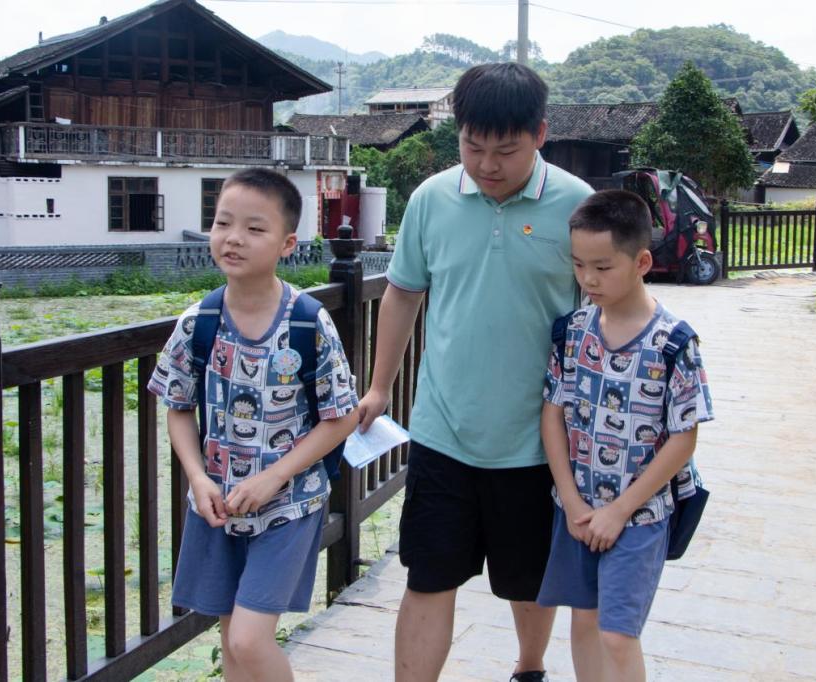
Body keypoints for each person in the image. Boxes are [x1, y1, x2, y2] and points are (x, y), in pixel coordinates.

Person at [356, 63, 593, 681]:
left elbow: (605, 308)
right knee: (428, 575)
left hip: (539, 438)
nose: (487, 165)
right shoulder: (431, 199)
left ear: (539, 135)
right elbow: (403, 293)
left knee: (529, 579)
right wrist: (379, 387)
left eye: (506, 151)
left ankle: (529, 668)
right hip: (444, 430)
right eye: (472, 146)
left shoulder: (577, 205)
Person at [147, 168, 358, 681]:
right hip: (219, 504)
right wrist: (197, 478)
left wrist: (274, 476)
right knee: (232, 642)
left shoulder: (307, 321)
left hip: (288, 503)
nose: (234, 238)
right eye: (223, 223)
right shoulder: (198, 322)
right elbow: (178, 407)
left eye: (254, 228)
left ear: (288, 244)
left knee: (248, 638)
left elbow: (342, 417)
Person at [536, 190, 714, 682]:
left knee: (617, 634)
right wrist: (572, 502)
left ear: (641, 262)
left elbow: (683, 439)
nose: (588, 279)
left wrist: (618, 511)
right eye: (578, 265)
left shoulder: (674, 342)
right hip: (577, 509)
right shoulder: (572, 332)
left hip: (639, 515)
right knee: (584, 621)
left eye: (602, 267)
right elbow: (552, 416)